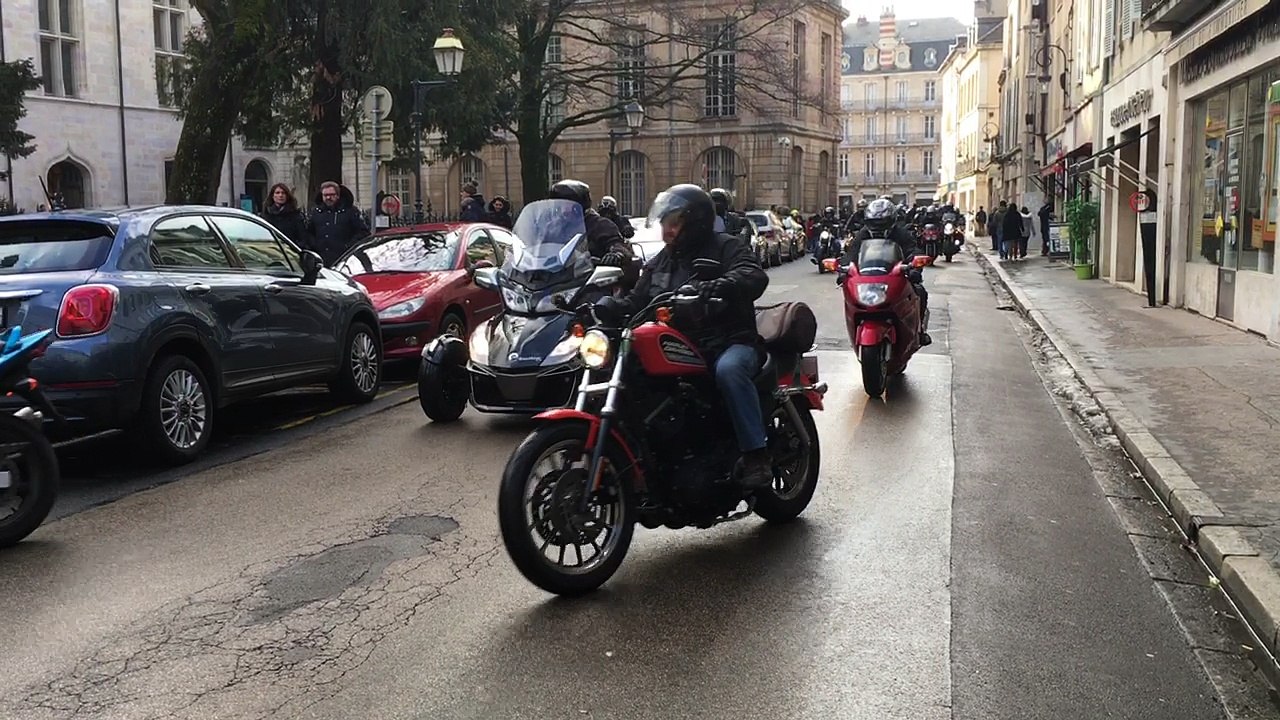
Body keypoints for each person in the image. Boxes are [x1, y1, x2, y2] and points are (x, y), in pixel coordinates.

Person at [596, 184, 772, 488]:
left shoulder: (726, 246)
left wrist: (723, 284)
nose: (668, 231)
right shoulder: (662, 261)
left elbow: (754, 274)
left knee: (729, 372)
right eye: (665, 223)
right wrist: (607, 307)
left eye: (674, 223)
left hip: (729, 342)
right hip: (679, 347)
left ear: (696, 222)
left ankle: (756, 455)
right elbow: (637, 301)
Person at [841, 198, 931, 346]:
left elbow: (912, 249)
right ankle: (854, 329)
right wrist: (843, 269)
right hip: (868, 276)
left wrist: (915, 266)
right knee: (851, 295)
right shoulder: (864, 233)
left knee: (920, 291)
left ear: (891, 220)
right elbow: (851, 253)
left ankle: (919, 331)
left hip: (894, 275)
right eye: (873, 223)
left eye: (881, 222)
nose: (877, 227)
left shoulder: (900, 233)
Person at [548, 179, 632, 266]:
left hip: (588, 276)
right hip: (552, 276)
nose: (561, 208)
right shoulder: (553, 227)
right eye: (558, 204)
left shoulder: (600, 225)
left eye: (565, 204)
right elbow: (538, 247)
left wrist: (616, 254)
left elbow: (618, 245)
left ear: (578, 205)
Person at [308, 181, 369, 266]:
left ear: (338, 195)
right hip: (321, 259)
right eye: (325, 195)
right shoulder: (316, 212)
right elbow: (309, 232)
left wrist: (348, 246)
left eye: (332, 194)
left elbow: (363, 232)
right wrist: (314, 245)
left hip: (344, 259)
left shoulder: (351, 211)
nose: (329, 197)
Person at [261, 183, 307, 248]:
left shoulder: (295, 215)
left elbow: (303, 238)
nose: (280, 195)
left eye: (283, 193)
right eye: (277, 193)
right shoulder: (266, 215)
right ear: (272, 196)